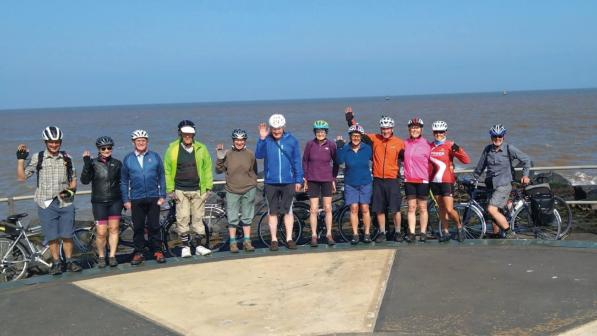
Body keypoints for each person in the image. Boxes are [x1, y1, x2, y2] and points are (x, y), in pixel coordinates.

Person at [16, 126, 82, 275]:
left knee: (67, 235)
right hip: (46, 203)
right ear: (45, 142)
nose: (54, 145)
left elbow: (73, 181)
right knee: (52, 237)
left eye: (57, 142)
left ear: (60, 142)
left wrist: (71, 190)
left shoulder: (67, 158)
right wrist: (20, 160)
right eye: (51, 142)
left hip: (66, 202)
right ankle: (57, 263)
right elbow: (21, 178)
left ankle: (70, 262)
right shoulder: (37, 157)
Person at [345, 106, 405, 242]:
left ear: (392, 129)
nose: (385, 131)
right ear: (381, 129)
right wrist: (350, 119)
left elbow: (412, 155)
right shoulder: (375, 139)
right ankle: (382, 232)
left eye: (388, 128)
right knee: (380, 209)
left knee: (395, 209)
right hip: (378, 179)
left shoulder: (399, 142)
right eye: (383, 129)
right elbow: (359, 133)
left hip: (392, 179)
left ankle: (398, 232)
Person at [163, 120, 213, 258]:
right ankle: (185, 247)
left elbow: (207, 168)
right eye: (185, 133)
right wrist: (170, 190)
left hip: (198, 189)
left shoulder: (201, 148)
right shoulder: (172, 149)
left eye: (190, 133)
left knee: (198, 219)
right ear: (180, 133)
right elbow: (167, 170)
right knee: (182, 218)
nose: (187, 136)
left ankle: (198, 246)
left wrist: (208, 187)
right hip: (180, 189)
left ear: (194, 133)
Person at [473, 124, 532, 239]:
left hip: (504, 185)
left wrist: (525, 175)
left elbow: (526, 159)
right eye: (494, 136)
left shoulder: (509, 148)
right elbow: (480, 167)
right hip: (491, 185)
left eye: (499, 136)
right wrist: (473, 178)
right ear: (491, 137)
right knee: (494, 211)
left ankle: (509, 233)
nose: (497, 138)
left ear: (503, 136)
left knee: (491, 209)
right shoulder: (487, 150)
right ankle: (497, 235)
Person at [255, 114, 304, 251]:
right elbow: (258, 155)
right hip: (271, 181)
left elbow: (296, 161)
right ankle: (274, 240)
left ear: (284, 127)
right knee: (273, 212)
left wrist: (299, 179)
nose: (276, 131)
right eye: (274, 129)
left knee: (288, 210)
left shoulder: (292, 140)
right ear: (270, 128)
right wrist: (262, 138)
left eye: (279, 128)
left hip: (288, 181)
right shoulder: (267, 140)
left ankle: (289, 238)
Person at [121, 129, 167, 265]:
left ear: (147, 142)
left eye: (143, 140)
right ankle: (139, 252)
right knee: (138, 227)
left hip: (154, 197)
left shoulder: (155, 156)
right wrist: (126, 200)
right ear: (133, 142)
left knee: (154, 226)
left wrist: (162, 195)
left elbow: (162, 176)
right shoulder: (128, 159)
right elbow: (124, 181)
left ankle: (158, 251)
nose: (141, 143)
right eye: (138, 141)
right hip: (136, 198)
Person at [80, 136, 123, 267]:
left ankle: (112, 256)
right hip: (99, 202)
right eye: (103, 148)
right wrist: (86, 163)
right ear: (99, 149)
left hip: (115, 201)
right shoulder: (93, 163)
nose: (106, 150)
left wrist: (125, 199)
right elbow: (85, 181)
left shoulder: (117, 163)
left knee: (114, 229)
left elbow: (122, 182)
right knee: (101, 232)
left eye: (109, 148)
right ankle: (101, 256)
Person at [215, 129, 258, 253]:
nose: (239, 142)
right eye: (237, 140)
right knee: (232, 218)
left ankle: (247, 241)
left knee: (247, 217)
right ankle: (233, 243)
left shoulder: (250, 154)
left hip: (249, 189)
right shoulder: (227, 154)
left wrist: (254, 183)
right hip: (232, 190)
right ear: (233, 141)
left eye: (242, 140)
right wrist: (219, 157)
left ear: (245, 141)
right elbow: (218, 170)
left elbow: (254, 170)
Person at [429, 121, 471, 243]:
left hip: (447, 181)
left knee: (449, 208)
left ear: (445, 132)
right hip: (434, 182)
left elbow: (466, 160)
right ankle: (446, 232)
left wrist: (458, 148)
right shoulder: (430, 146)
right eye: (436, 132)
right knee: (441, 208)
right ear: (433, 132)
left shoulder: (449, 145)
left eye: (441, 131)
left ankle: (459, 226)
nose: (439, 134)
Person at [302, 120, 339, 247]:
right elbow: (305, 161)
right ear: (315, 132)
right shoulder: (309, 144)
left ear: (326, 132)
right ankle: (313, 235)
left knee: (328, 208)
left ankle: (329, 234)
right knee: (313, 209)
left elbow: (336, 162)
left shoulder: (331, 145)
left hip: (327, 180)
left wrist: (333, 179)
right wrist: (305, 178)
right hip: (312, 180)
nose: (320, 133)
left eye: (322, 131)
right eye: (318, 131)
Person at [336, 124, 373, 245]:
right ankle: (355, 234)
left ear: (361, 137)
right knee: (353, 209)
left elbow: (377, 158)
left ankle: (367, 233)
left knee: (365, 208)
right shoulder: (346, 149)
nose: (355, 138)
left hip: (365, 182)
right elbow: (339, 161)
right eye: (353, 136)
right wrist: (339, 147)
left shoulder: (367, 148)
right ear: (350, 136)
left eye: (358, 136)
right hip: (350, 183)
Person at [403, 118, 432, 243]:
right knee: (411, 208)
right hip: (409, 179)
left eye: (417, 128)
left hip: (423, 180)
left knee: (423, 207)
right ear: (409, 129)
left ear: (421, 129)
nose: (415, 130)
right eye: (412, 127)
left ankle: (423, 232)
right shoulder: (405, 143)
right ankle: (412, 232)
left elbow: (435, 161)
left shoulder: (427, 144)